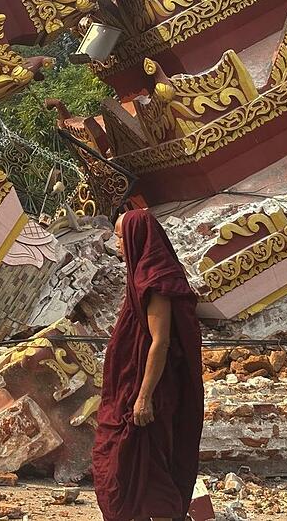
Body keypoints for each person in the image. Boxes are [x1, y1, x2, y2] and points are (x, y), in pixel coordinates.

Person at [92, 209, 205, 521]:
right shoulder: (140, 274)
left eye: (119, 236)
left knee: (145, 466)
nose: (115, 243)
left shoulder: (156, 281)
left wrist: (143, 397)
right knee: (121, 462)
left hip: (148, 390)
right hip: (128, 386)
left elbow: (161, 341)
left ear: (135, 238)